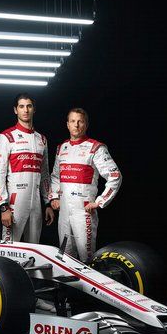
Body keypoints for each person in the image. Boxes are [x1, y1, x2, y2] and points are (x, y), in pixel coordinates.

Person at [50, 108, 122, 262]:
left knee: (86, 257)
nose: (76, 125)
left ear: (86, 125)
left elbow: (115, 176)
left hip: (83, 212)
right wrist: (54, 198)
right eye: (73, 121)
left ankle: (87, 286)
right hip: (63, 212)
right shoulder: (61, 148)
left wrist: (99, 201)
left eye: (80, 121)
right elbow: (56, 176)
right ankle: (68, 286)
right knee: (64, 255)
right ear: (67, 124)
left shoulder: (96, 147)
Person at [0, 93, 55, 244]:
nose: (25, 110)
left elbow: (45, 174)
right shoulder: (6, 137)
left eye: (29, 106)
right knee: (10, 248)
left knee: (33, 249)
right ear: (15, 110)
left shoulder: (42, 139)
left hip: (36, 204)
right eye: (21, 106)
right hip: (14, 203)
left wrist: (48, 202)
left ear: (34, 109)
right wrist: (3, 206)